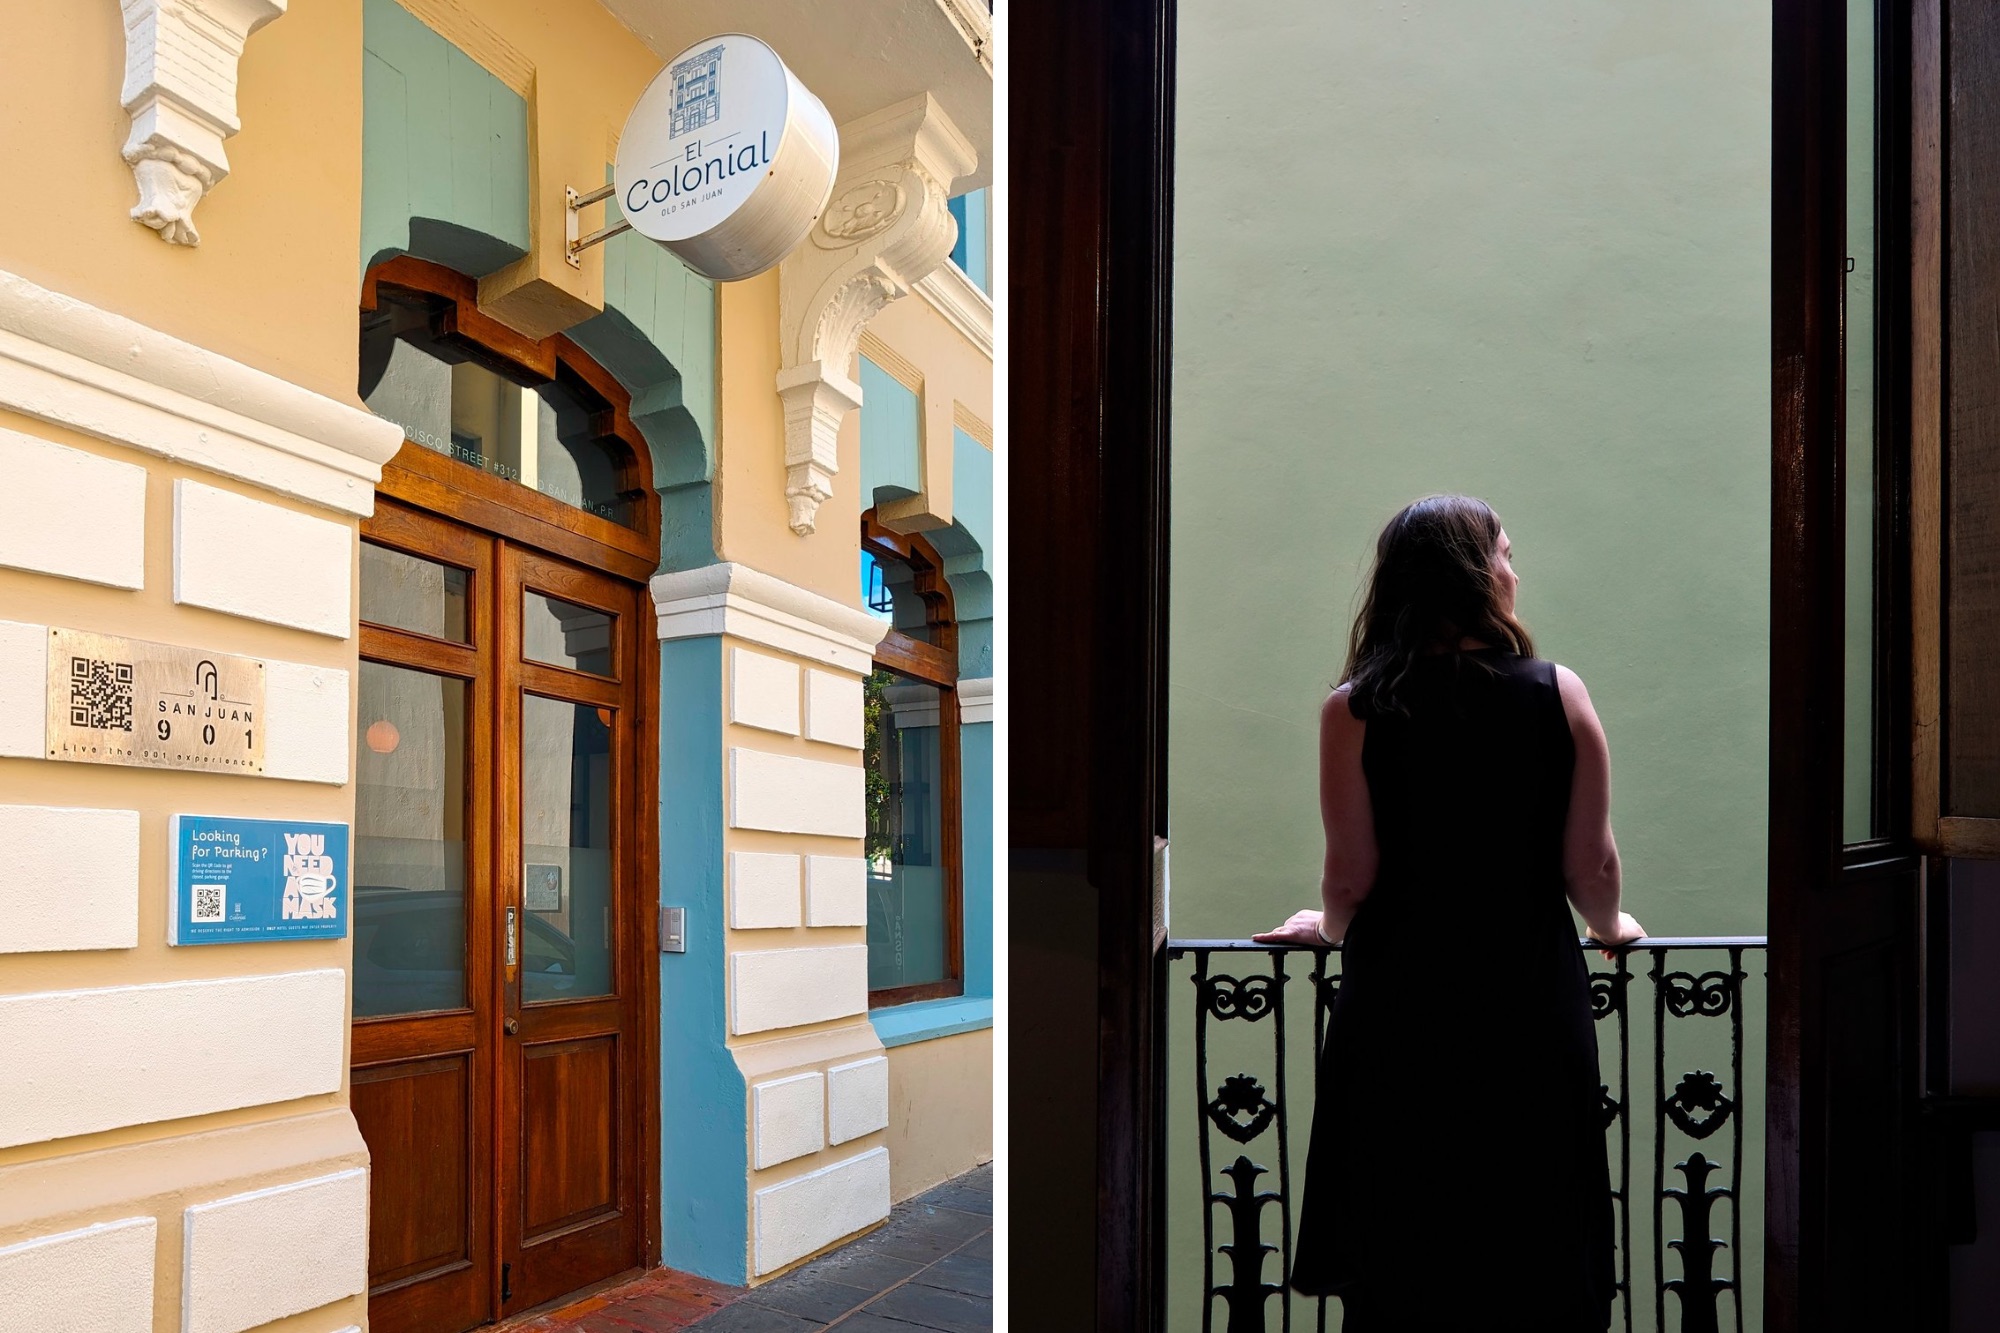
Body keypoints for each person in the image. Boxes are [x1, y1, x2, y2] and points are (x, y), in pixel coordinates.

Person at [1253, 493, 1645, 1333]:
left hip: (1401, 1012)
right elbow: (1594, 868)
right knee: (1530, 1240)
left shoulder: (1353, 708)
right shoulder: (1558, 692)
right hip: (1528, 1008)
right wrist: (1613, 929)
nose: (1515, 569)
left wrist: (1321, 928)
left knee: (1405, 1247)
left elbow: (1351, 878)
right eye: (1505, 552)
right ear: (1474, 574)